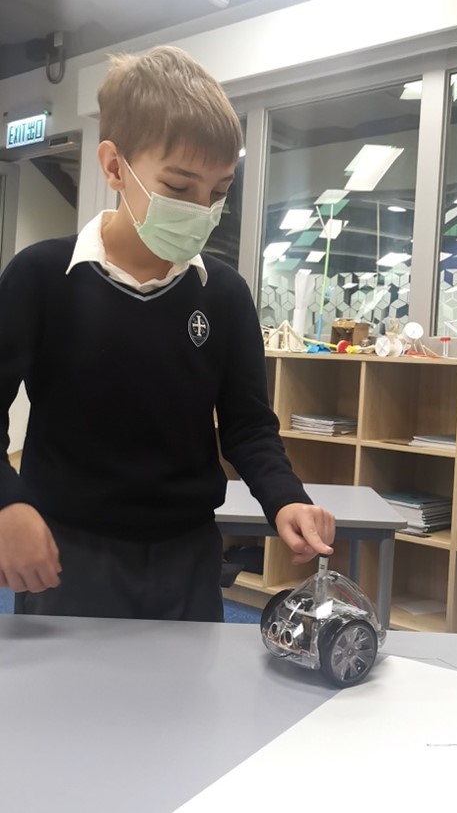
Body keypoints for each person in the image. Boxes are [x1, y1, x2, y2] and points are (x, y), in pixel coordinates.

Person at [0, 46, 335, 620]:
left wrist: (286, 499)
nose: (201, 210)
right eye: (179, 187)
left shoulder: (223, 295)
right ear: (114, 167)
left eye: (219, 191)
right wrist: (7, 504)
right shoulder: (40, 277)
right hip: (68, 556)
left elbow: (249, 427)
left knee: (191, 682)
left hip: (188, 558)